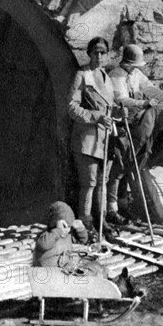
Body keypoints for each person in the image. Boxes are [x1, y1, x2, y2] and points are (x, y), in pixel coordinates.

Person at [107, 44, 163, 223]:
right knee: (119, 166)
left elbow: (150, 89)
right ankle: (111, 209)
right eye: (133, 65)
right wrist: (142, 104)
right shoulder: (115, 76)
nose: (135, 68)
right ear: (126, 63)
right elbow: (120, 99)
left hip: (137, 124)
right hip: (121, 125)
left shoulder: (136, 74)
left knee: (131, 164)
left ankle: (123, 204)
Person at [67, 37, 124, 237]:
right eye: (95, 52)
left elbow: (108, 105)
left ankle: (102, 221)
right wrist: (96, 117)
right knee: (89, 183)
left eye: (103, 52)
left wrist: (118, 112)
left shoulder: (105, 77)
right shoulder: (83, 75)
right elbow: (72, 107)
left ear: (107, 55)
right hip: (87, 138)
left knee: (102, 181)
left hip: (105, 139)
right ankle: (86, 224)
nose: (99, 56)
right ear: (89, 54)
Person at [34, 201, 107, 278]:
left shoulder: (66, 236)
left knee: (97, 266)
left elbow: (82, 240)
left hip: (68, 266)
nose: (67, 230)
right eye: (64, 226)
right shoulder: (47, 236)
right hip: (53, 273)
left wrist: (80, 229)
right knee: (92, 274)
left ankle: (106, 277)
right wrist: (58, 230)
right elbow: (44, 244)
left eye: (69, 227)